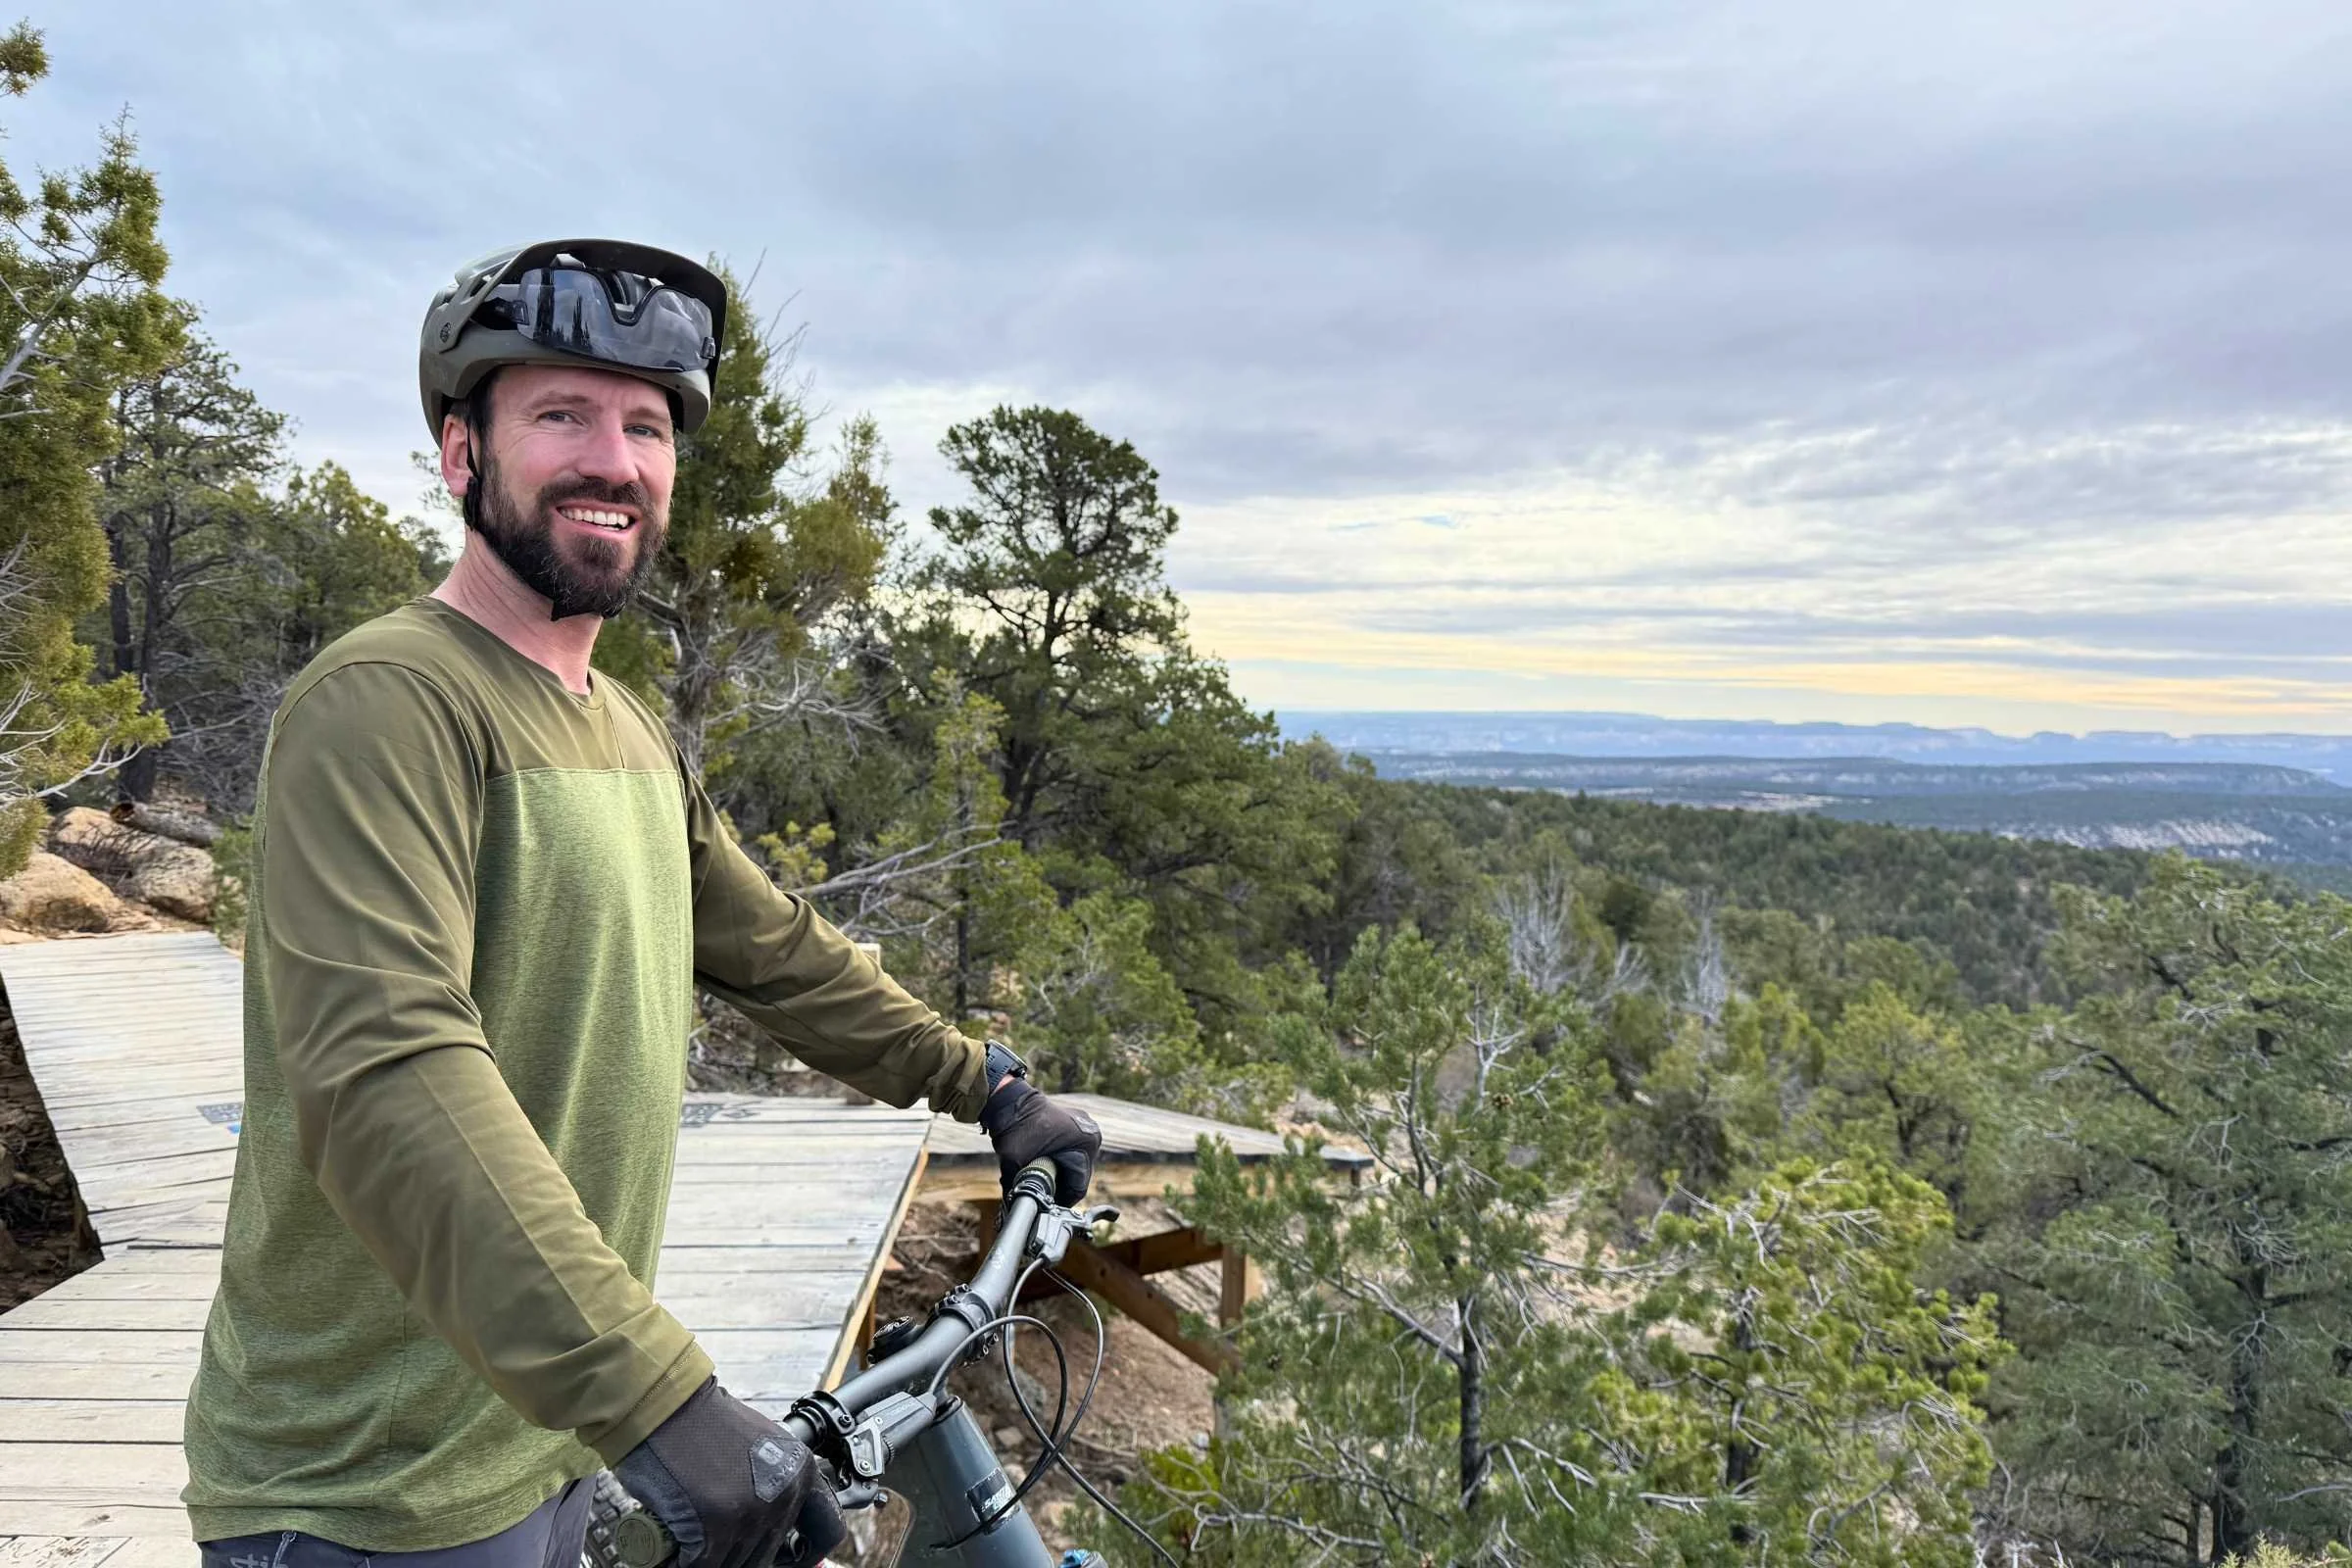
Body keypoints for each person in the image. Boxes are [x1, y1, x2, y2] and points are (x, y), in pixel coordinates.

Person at [180, 239, 1102, 1568]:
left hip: (551, 1440)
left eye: (646, 427)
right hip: (368, 1487)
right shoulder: (386, 702)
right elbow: (385, 1070)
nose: (612, 461)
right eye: (561, 416)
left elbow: (774, 950)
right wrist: (658, 1397)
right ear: (461, 455)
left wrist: (985, 1084)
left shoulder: (621, 726)